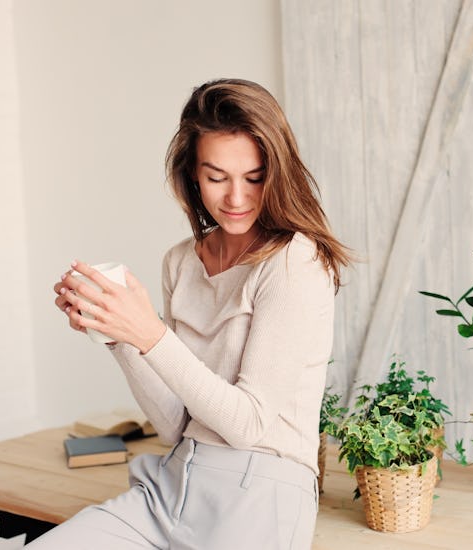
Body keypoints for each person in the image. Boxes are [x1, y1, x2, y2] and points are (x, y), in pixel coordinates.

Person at [32, 78, 350, 550]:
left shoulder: (294, 262)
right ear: (192, 174)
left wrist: (151, 333)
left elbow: (248, 424)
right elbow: (174, 423)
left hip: (259, 494)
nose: (236, 198)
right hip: (170, 487)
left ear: (277, 173)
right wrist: (119, 334)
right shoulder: (181, 260)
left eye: (254, 177)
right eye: (217, 177)